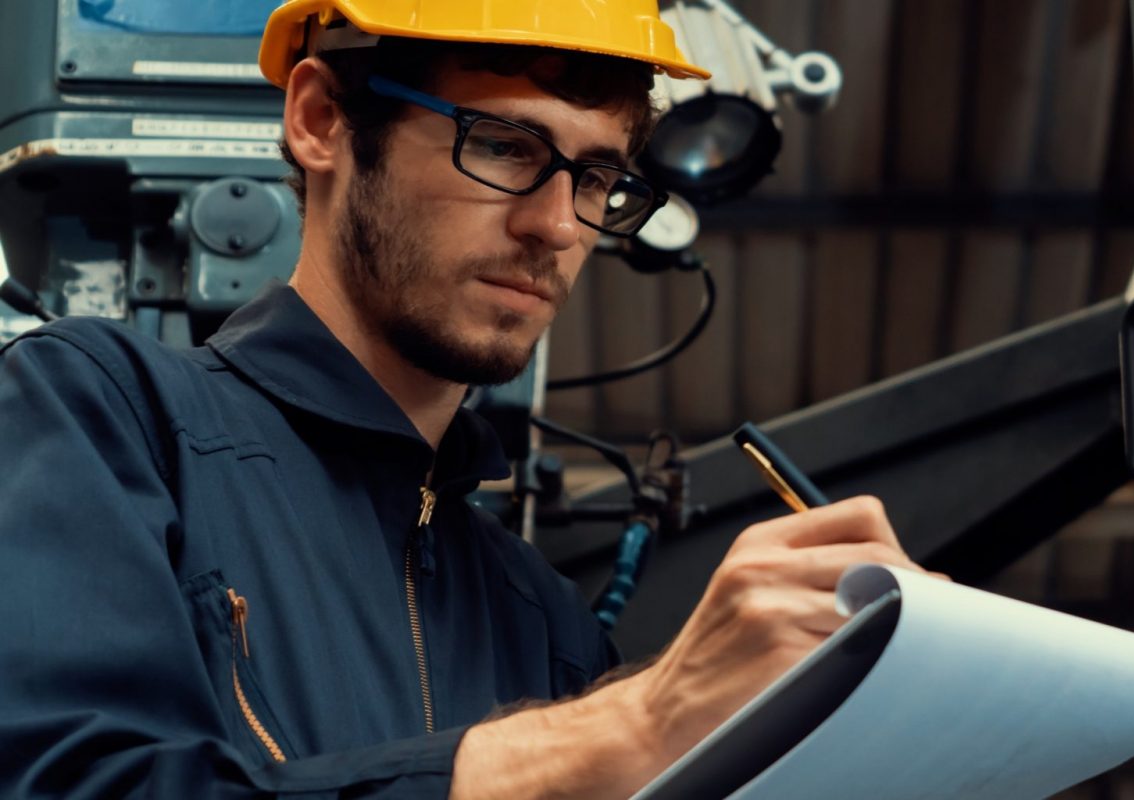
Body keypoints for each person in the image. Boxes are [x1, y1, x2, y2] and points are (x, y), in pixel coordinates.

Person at [0, 1, 930, 796]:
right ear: (322, 119)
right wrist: (630, 731)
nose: (558, 226)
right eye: (504, 144)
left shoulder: (547, 627)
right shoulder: (104, 415)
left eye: (599, 178)